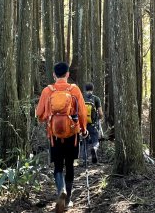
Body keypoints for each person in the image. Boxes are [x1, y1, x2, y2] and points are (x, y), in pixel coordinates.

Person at [36, 62, 88, 212]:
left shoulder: (48, 90)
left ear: (54, 75)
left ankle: (61, 191)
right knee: (70, 165)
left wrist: (48, 119)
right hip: (72, 134)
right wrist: (84, 129)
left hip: (55, 135)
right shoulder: (74, 89)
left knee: (58, 166)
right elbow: (83, 113)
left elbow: (39, 114)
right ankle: (68, 200)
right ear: (67, 74)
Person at [81, 82, 104, 164]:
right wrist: (100, 118)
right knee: (96, 139)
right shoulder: (96, 99)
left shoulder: (82, 98)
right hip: (93, 124)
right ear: (92, 89)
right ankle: (94, 148)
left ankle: (84, 160)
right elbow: (100, 113)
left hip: (83, 124)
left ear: (85, 89)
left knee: (85, 141)